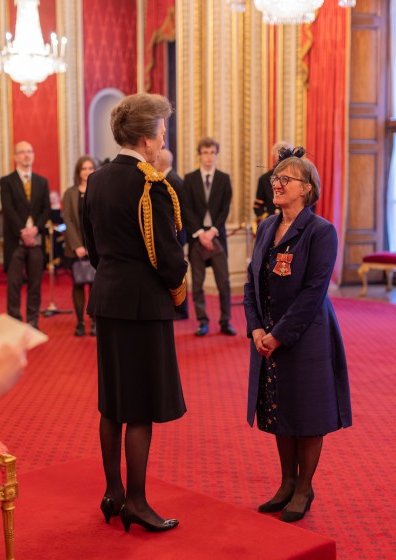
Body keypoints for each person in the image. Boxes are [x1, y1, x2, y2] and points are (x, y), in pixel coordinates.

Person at [82, 93, 188, 533]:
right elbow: (168, 258)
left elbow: (92, 245)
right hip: (143, 307)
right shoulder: (152, 184)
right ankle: (138, 502)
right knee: (140, 407)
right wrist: (178, 285)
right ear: (146, 137)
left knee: (114, 402)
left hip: (107, 300)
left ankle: (113, 492)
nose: (164, 137)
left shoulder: (97, 179)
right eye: (162, 129)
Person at [244, 147, 352, 523]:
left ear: (306, 189)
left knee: (306, 412)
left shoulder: (321, 232)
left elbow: (314, 292)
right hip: (268, 334)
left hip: (306, 336)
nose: (277, 183)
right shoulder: (267, 227)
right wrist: (256, 327)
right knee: (278, 408)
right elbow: (251, 281)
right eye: (275, 178)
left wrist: (278, 335)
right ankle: (286, 483)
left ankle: (304, 487)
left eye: (285, 179)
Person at [181, 137, 236, 336]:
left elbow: (224, 208)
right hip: (197, 237)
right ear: (200, 154)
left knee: (224, 282)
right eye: (205, 152)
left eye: (212, 152)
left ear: (216, 154)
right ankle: (202, 321)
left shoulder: (224, 178)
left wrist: (212, 231)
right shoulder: (190, 178)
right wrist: (199, 233)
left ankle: (225, 321)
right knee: (197, 284)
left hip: (217, 236)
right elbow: (186, 208)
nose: (209, 156)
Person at [0, 141, 50, 329]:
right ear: (15, 157)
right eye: (22, 152)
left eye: (29, 151)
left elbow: (46, 209)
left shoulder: (42, 181)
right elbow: (8, 208)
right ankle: (14, 320)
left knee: (35, 284)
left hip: (36, 240)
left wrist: (35, 229)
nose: (26, 155)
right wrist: (23, 231)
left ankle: (32, 320)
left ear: (33, 155)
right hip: (15, 240)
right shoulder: (6, 181)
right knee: (13, 284)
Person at [62, 156, 97, 336]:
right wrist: (77, 246)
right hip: (76, 247)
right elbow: (67, 220)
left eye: (90, 168)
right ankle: (80, 323)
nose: (87, 172)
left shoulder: (99, 191)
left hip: (95, 247)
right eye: (84, 168)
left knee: (95, 286)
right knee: (78, 284)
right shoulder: (69, 193)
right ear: (78, 172)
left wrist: (93, 246)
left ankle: (94, 323)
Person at [155, 148, 188, 320]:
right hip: (175, 233)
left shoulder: (172, 180)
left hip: (176, 233)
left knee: (177, 269)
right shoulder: (170, 178)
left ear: (161, 161)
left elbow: (179, 211)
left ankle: (181, 309)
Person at [253, 141, 293, 228]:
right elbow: (257, 206)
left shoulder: (296, 177)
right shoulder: (264, 179)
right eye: (279, 153)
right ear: (274, 156)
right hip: (271, 225)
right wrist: (267, 219)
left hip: (293, 223)